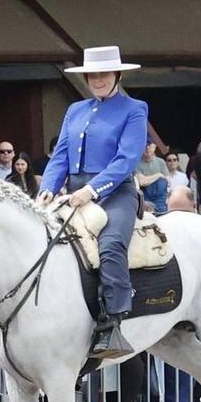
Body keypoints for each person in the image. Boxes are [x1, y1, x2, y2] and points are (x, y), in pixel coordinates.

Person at [39, 46, 150, 360]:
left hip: (114, 193)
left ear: (116, 74)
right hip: (72, 192)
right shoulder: (75, 109)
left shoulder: (134, 108)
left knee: (111, 243)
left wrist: (92, 189)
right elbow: (60, 155)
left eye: (103, 73)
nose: (97, 79)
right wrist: (48, 187)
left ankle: (113, 322)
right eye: (92, 74)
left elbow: (127, 159)